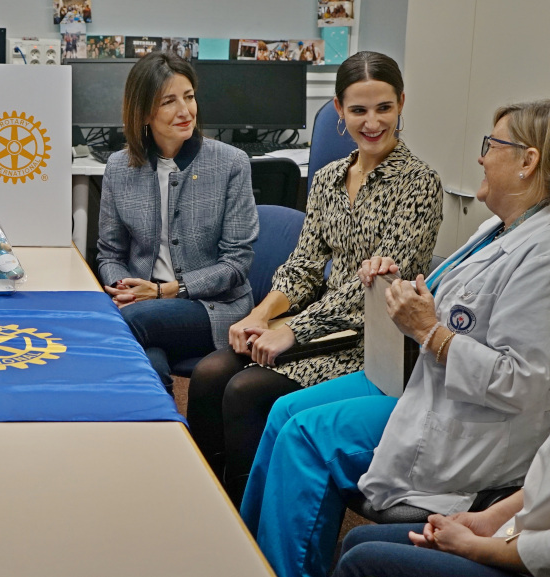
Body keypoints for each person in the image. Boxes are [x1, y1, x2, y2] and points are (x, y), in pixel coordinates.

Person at [241, 98, 550, 577]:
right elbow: (456, 311)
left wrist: (430, 329)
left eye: (491, 145)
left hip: (474, 428)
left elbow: (523, 384)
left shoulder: (543, 256)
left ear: (528, 161)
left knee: (307, 437)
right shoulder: (497, 229)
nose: (481, 158)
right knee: (286, 416)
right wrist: (397, 285)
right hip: (428, 390)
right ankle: (246, 556)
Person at [186, 51, 443, 505]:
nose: (372, 122)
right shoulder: (326, 179)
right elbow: (303, 267)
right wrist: (260, 317)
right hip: (319, 326)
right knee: (208, 376)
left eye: (384, 108)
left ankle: (247, 523)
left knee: (246, 390)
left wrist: (289, 332)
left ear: (401, 104)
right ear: (339, 111)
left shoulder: (420, 184)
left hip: (370, 340)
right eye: (359, 110)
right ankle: (206, 503)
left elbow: (374, 294)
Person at [97, 51, 258, 393]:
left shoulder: (231, 163)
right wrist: (126, 289)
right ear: (143, 113)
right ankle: (163, 425)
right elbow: (109, 254)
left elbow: (236, 264)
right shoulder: (118, 168)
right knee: (147, 364)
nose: (185, 111)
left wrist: (165, 291)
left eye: (189, 97)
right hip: (143, 306)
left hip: (212, 306)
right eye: (169, 101)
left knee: (123, 326)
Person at [334, 430, 550, 577]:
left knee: (362, 561)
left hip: (528, 562)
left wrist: (470, 546)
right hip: (516, 533)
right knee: (357, 537)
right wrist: (488, 518)